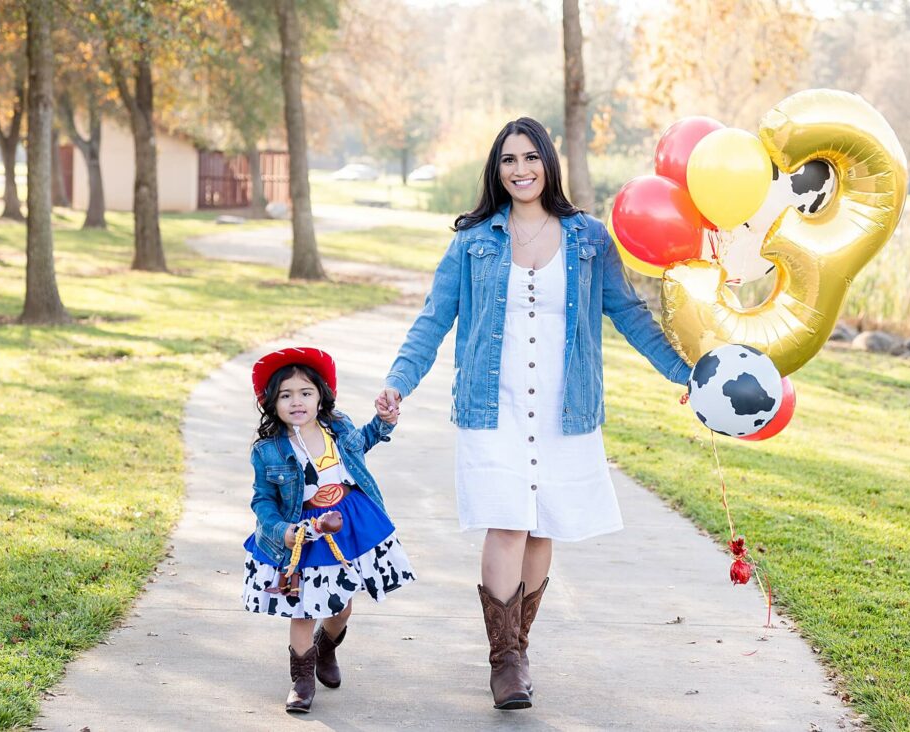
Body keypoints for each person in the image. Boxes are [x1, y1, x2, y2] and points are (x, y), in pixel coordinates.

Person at [375, 117, 691, 710]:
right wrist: (399, 381)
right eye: (507, 160)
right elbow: (433, 319)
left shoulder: (589, 238)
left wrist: (685, 375)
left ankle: (518, 644)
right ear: (496, 171)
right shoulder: (473, 240)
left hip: (563, 406)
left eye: (530, 158)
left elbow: (629, 315)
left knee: (543, 525)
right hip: (491, 406)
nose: (520, 170)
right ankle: (506, 662)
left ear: (548, 163)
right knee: (507, 520)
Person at [243, 346, 415, 714]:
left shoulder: (337, 427)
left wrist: (384, 421)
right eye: (285, 395)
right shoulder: (268, 451)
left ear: (321, 396)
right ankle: (302, 680)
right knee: (302, 609)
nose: (297, 401)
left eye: (305, 392)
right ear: (272, 403)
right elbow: (262, 501)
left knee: (340, 606)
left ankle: (326, 649)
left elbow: (364, 441)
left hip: (348, 525)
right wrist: (281, 530)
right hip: (303, 532)